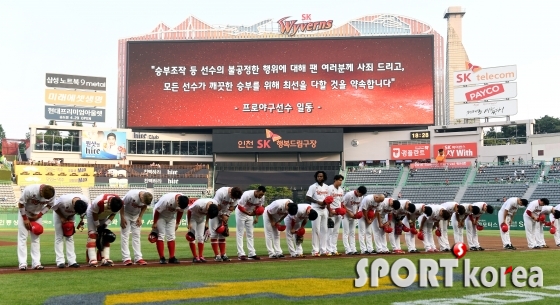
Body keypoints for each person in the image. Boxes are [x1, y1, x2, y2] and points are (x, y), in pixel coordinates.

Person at [17, 184, 56, 270]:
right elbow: (20, 203)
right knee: (23, 238)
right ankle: (22, 263)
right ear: (41, 191)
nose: (45, 199)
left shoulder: (51, 193)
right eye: (44, 197)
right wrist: (25, 218)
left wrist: (39, 215)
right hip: (24, 213)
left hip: (37, 214)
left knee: (36, 239)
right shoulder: (30, 190)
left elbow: (50, 205)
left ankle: (36, 263)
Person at [86, 193, 123, 267]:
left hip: (104, 216)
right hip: (92, 213)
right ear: (109, 203)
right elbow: (94, 214)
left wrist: (106, 224)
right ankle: (92, 259)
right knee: (93, 235)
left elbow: (113, 214)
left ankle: (105, 259)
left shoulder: (118, 203)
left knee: (105, 235)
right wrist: (98, 225)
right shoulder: (99, 202)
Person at [52, 193, 88, 268]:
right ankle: (60, 261)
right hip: (59, 214)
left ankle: (72, 261)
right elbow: (54, 207)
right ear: (74, 206)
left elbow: (84, 211)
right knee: (59, 237)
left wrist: (80, 219)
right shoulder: (63, 200)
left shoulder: (85, 201)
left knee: (70, 237)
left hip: (71, 215)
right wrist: (62, 217)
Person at [152, 193, 189, 264]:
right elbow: (157, 211)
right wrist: (155, 222)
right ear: (177, 201)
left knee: (171, 236)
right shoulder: (166, 200)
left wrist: (177, 223)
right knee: (161, 235)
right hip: (160, 215)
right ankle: (162, 258)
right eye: (179, 205)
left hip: (171, 217)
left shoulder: (183, 201)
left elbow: (180, 212)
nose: (179, 207)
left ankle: (172, 257)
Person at [120, 189, 153, 266]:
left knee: (137, 236)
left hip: (136, 216)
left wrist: (140, 217)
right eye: (143, 201)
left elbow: (144, 206)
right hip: (126, 214)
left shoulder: (147, 197)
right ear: (141, 197)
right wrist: (122, 217)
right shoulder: (131, 195)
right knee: (125, 235)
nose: (143, 203)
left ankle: (138, 258)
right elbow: (121, 204)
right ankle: (126, 258)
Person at [211, 186, 242, 262]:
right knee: (214, 234)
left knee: (222, 234)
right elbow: (216, 206)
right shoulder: (221, 192)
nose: (233, 199)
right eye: (233, 197)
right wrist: (222, 215)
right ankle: (217, 255)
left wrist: (227, 215)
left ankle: (223, 254)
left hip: (224, 214)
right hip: (214, 213)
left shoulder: (236, 196)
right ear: (230, 192)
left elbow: (231, 207)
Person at [236, 186, 266, 260]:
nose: (261, 196)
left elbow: (259, 208)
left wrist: (256, 217)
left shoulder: (262, 198)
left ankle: (251, 253)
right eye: (260, 194)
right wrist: (248, 213)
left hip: (250, 214)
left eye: (262, 195)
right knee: (240, 233)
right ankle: (241, 254)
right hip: (241, 213)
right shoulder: (247, 194)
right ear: (257, 191)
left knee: (250, 233)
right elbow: (240, 206)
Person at [305, 171, 330, 256]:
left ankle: (323, 249)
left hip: (324, 210)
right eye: (318, 176)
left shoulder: (327, 187)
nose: (319, 177)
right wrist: (317, 202)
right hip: (315, 209)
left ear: (324, 177)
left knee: (325, 230)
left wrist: (327, 207)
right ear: (316, 177)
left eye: (321, 176)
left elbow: (329, 199)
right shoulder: (313, 187)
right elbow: (307, 197)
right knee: (316, 230)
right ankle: (315, 250)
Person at [187, 198, 220, 263]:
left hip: (201, 219)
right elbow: (189, 211)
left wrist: (207, 223)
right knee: (192, 238)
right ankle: (195, 257)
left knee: (201, 238)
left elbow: (209, 214)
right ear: (207, 209)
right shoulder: (198, 205)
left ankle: (201, 256)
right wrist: (189, 223)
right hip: (193, 218)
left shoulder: (214, 205)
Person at [342, 186, 367, 255]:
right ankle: (348, 250)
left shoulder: (361, 197)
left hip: (353, 215)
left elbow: (358, 206)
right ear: (357, 191)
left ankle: (353, 249)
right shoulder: (349, 195)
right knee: (346, 232)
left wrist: (356, 214)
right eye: (361, 194)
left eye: (362, 195)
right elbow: (342, 204)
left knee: (352, 233)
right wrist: (349, 213)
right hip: (346, 215)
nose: (361, 196)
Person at [326, 174, 345, 256]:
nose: (340, 182)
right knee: (330, 231)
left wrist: (342, 211)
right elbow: (327, 200)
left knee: (336, 232)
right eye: (339, 180)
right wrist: (330, 210)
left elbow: (341, 202)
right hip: (331, 211)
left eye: (341, 180)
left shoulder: (341, 190)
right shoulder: (329, 188)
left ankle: (334, 249)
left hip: (338, 212)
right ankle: (328, 250)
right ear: (335, 180)